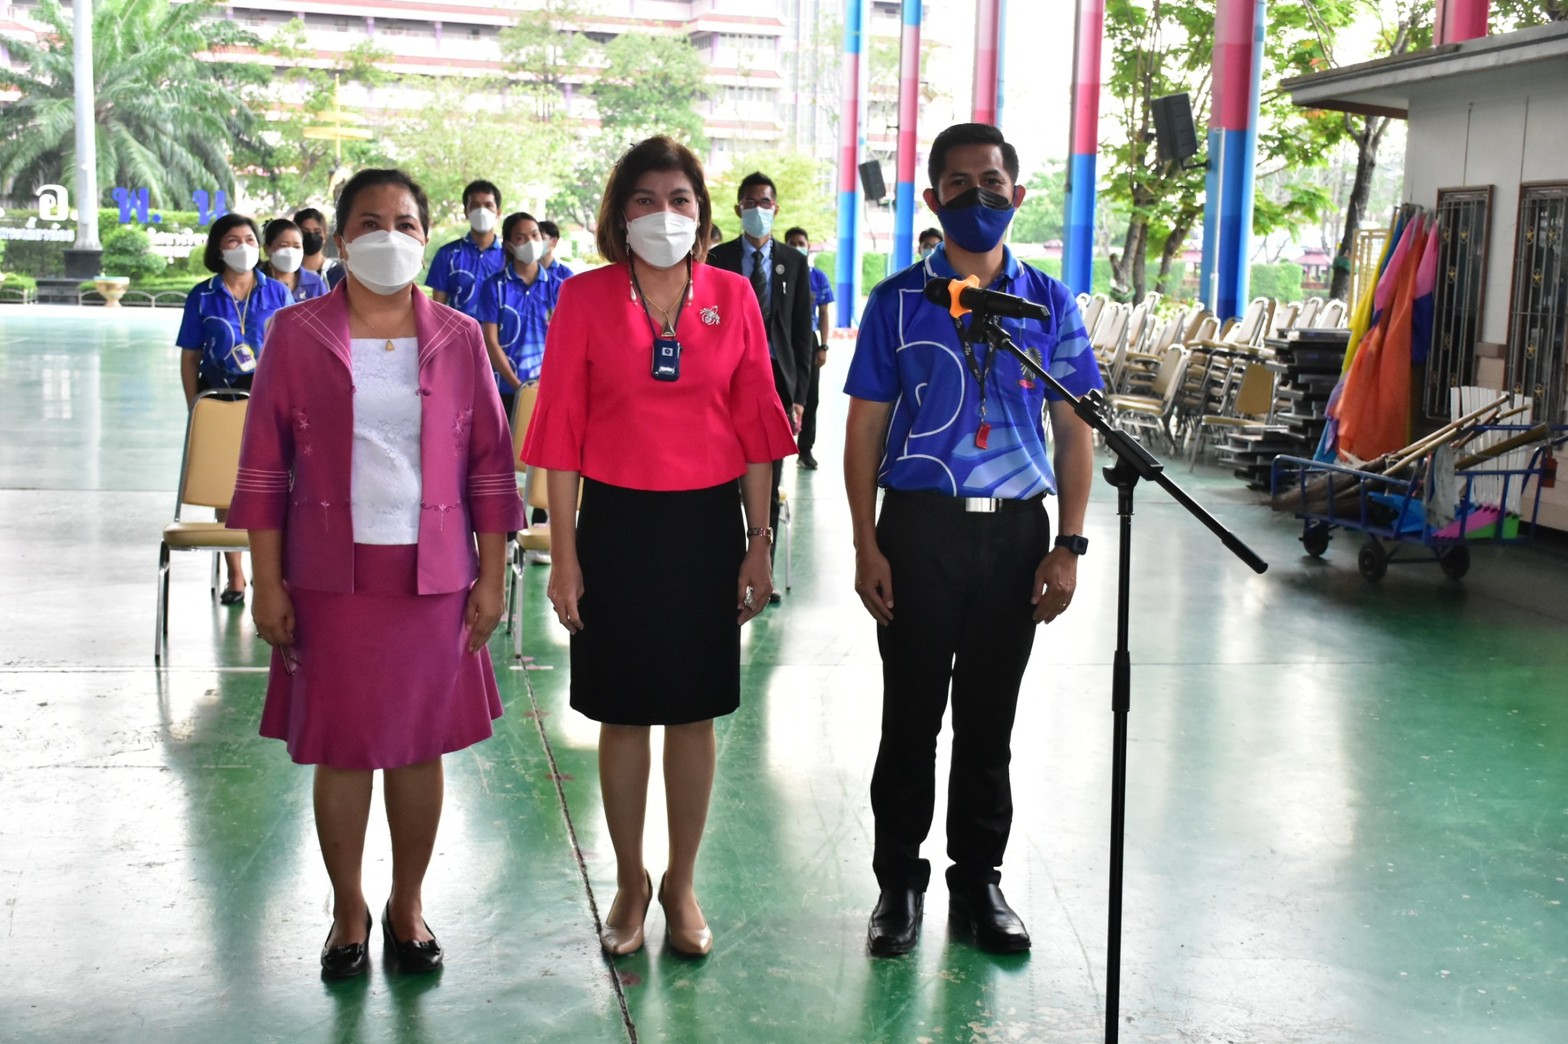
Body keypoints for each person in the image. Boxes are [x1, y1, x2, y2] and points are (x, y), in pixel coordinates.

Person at [230, 168, 523, 979]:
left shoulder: (459, 337)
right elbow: (264, 465)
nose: (388, 236)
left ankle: (408, 904)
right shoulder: (295, 333)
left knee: (421, 748)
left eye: (405, 222)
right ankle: (347, 909)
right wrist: (267, 581)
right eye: (369, 221)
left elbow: (490, 466)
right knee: (345, 750)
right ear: (340, 237)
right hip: (329, 578)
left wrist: (492, 577)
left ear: (426, 238)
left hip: (435, 578)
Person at [522, 136, 794, 960]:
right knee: (623, 712)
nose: (663, 215)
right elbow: (560, 436)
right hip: (615, 526)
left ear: (703, 215)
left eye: (679, 200)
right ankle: (630, 882)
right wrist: (566, 554)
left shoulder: (733, 296)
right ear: (619, 213)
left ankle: (681, 882)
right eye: (645, 199)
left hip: (707, 526)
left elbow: (757, 430)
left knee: (692, 711)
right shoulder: (584, 298)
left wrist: (758, 543)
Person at [843, 122, 1100, 958]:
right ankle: (897, 884)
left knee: (990, 723)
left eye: (991, 182)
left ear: (1017, 195)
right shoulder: (896, 303)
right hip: (918, 532)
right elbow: (864, 431)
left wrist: (1069, 544)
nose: (977, 196)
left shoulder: (1050, 302)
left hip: (1017, 538)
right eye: (958, 183)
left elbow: (1075, 432)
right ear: (932, 198)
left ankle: (979, 881)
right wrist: (865, 544)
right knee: (910, 719)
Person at [706, 172, 814, 601]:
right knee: (724, 479)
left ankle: (761, 569)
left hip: (777, 383)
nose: (757, 209)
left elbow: (802, 335)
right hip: (725, 382)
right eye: (749, 202)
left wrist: (800, 398)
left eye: (764, 202)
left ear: (776, 207)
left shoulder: (794, 262)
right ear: (738, 209)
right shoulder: (717, 259)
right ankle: (723, 570)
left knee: (767, 479)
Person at [176, 213, 291, 605]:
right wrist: (195, 409)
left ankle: (268, 573)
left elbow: (292, 351)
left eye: (249, 239)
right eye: (232, 240)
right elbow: (190, 357)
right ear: (218, 249)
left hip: (267, 399)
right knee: (226, 487)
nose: (243, 247)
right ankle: (236, 575)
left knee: (270, 485)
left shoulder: (278, 293)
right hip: (218, 398)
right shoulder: (202, 295)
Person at [475, 211, 560, 421]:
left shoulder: (558, 287)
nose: (530, 242)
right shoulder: (494, 286)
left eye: (535, 235)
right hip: (503, 388)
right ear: (510, 245)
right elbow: (490, 341)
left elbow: (567, 340)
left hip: (548, 389)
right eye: (521, 237)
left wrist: (549, 384)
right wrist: (519, 387)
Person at [783, 226, 835, 470]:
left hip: (809, 341)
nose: (797, 247)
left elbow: (824, 313)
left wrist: (823, 345)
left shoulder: (818, 277)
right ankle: (777, 449)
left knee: (810, 396)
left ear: (808, 246)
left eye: (800, 243)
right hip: (782, 340)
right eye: (791, 243)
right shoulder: (779, 273)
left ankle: (805, 449)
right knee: (780, 395)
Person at [426, 179, 506, 318]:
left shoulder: (508, 257)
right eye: (475, 206)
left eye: (488, 205)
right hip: (457, 330)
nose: (482, 211)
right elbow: (438, 308)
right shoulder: (447, 254)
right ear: (466, 212)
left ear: (498, 212)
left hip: (499, 332)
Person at [260, 218, 328, 303]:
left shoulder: (315, 283)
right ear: (267, 249)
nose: (290, 252)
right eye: (284, 245)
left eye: (297, 246)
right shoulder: (256, 283)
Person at [293, 207, 342, 287]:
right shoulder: (290, 273)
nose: (311, 236)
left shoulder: (337, 272)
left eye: (317, 232)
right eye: (305, 232)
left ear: (325, 235)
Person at [537, 219, 575, 285]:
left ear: (554, 241)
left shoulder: (565, 274)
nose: (536, 242)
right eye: (534, 238)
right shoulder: (525, 271)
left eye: (541, 238)